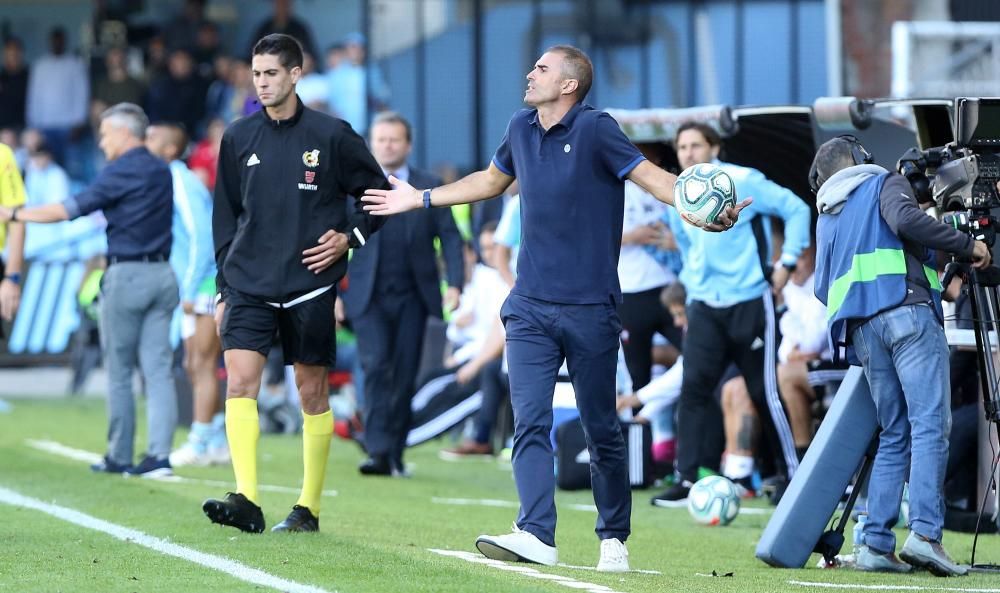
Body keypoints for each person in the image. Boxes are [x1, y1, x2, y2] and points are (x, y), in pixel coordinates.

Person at [361, 45, 745, 571]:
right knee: (530, 420)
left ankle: (613, 536)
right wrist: (419, 198)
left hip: (592, 308)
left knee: (600, 426)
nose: (529, 72)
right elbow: (489, 182)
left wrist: (695, 207)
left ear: (569, 85)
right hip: (529, 307)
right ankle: (537, 532)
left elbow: (650, 177)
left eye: (541, 68)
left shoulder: (597, 129)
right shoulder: (520, 126)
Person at [202, 34, 387, 535]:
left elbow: (379, 195)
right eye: (256, 73)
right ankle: (247, 498)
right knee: (240, 381)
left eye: (271, 73)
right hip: (247, 283)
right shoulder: (238, 136)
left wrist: (350, 238)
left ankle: (308, 508)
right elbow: (225, 215)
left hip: (309, 284)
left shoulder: (333, 135)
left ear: (295, 73)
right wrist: (223, 282)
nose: (261, 82)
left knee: (311, 390)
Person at [810, 136, 988, 575]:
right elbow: (906, 219)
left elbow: (821, 287)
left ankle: (875, 544)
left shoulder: (827, 216)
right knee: (930, 425)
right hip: (907, 313)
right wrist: (968, 247)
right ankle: (925, 535)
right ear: (861, 160)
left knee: (895, 432)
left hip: (863, 331)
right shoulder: (881, 182)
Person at [0, 103, 178, 477]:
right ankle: (159, 457)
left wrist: (15, 214)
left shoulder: (120, 171)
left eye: (106, 133)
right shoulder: (162, 170)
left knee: (118, 369)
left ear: (126, 134)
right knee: (159, 370)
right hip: (163, 274)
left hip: (126, 276)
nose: (101, 141)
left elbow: (68, 210)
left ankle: (120, 455)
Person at [650, 121, 809, 507]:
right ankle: (686, 479)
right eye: (682, 146)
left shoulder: (743, 180)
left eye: (696, 145)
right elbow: (687, 244)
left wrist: (786, 262)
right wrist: (692, 281)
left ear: (715, 148)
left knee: (764, 391)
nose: (688, 153)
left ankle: (793, 476)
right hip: (703, 304)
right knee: (693, 390)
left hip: (749, 300)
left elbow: (797, 209)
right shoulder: (677, 192)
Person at [341, 110, 464, 477]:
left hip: (415, 294)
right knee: (376, 367)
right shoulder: (355, 185)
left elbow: (452, 237)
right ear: (371, 143)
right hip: (368, 294)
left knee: (405, 373)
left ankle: (395, 451)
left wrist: (456, 284)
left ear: (408, 145)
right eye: (381, 139)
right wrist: (332, 293)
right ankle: (378, 450)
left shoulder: (429, 184)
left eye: (394, 139)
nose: (387, 145)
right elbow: (333, 235)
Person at [145, 123, 227, 467]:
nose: (143, 143)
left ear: (169, 149)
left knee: (202, 363)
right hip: (191, 285)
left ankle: (199, 440)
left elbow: (201, 239)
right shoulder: (167, 179)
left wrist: (190, 288)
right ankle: (218, 438)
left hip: (205, 283)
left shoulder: (180, 180)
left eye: (151, 138)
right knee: (194, 364)